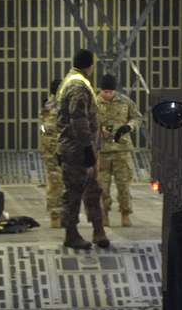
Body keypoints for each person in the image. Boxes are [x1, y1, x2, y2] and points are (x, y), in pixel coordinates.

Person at [56, 49, 109, 250]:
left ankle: (98, 230)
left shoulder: (71, 80)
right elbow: (79, 120)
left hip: (79, 148)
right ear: (90, 65)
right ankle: (71, 234)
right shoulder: (78, 86)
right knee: (74, 193)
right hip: (77, 150)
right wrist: (87, 148)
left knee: (93, 190)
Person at [94, 72, 142, 227]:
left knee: (124, 185)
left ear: (114, 90)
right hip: (102, 151)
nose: (107, 94)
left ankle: (125, 214)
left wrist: (129, 126)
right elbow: (86, 121)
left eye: (110, 91)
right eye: (105, 91)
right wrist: (99, 130)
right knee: (102, 187)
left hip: (122, 149)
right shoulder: (93, 103)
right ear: (101, 90)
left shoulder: (125, 101)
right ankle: (104, 215)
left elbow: (137, 117)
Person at [39, 78, 64, 228]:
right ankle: (57, 215)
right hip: (58, 149)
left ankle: (56, 216)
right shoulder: (60, 105)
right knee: (58, 182)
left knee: (54, 182)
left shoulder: (47, 105)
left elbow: (43, 128)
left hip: (50, 149)